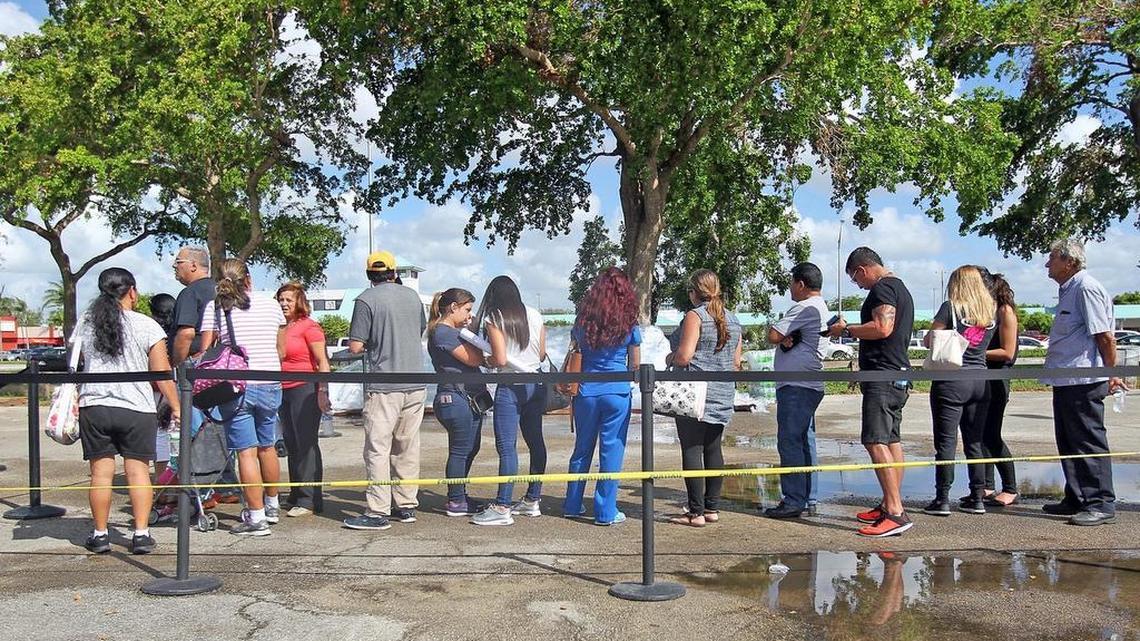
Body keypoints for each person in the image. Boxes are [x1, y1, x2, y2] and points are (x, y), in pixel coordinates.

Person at [77, 268, 180, 555]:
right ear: (132, 291)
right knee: (137, 472)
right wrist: (175, 404)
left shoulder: (86, 324)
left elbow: (79, 362)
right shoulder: (146, 325)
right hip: (136, 407)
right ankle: (141, 533)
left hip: (95, 404)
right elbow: (161, 372)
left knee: (100, 474)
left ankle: (99, 534)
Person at [1041, 238, 1129, 526]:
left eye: (1052, 258)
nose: (1047, 264)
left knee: (1088, 441)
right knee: (1068, 441)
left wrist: (1111, 374)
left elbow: (1105, 336)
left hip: (1083, 380)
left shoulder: (1086, 288)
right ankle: (1077, 497)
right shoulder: (1068, 291)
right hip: (1066, 379)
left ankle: (1100, 502)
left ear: (1070, 262)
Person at [829, 247, 914, 537]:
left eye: (855, 279)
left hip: (882, 377)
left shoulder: (883, 289)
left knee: (875, 441)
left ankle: (895, 512)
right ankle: (891, 503)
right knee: (891, 441)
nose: (857, 284)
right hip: (897, 375)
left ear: (862, 270)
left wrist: (847, 330)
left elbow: (882, 327)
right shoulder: (899, 287)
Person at [200, 259, 286, 536]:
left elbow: (206, 352)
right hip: (271, 381)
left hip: (236, 386)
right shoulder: (271, 305)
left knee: (245, 452)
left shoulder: (216, 307)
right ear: (248, 278)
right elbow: (280, 349)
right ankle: (272, 505)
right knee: (267, 446)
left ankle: (256, 517)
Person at [343, 251, 427, 531]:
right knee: (407, 445)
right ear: (394, 272)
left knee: (378, 449)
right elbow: (419, 331)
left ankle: (378, 510)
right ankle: (406, 505)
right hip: (415, 382)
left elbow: (356, 346)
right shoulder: (413, 298)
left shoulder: (366, 300)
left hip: (383, 385)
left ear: (369, 275)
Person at [666, 269, 743, 527]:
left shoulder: (695, 316)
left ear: (693, 293)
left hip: (695, 393)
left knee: (691, 449)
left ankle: (695, 512)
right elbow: (735, 362)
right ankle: (712, 508)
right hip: (722, 392)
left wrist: (670, 357)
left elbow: (684, 356)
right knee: (713, 448)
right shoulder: (733, 319)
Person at [563, 267, 640, 526]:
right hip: (617, 392)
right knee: (611, 452)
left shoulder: (583, 322)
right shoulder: (629, 323)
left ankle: (572, 504)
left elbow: (576, 351)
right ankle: (606, 512)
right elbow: (635, 366)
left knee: (582, 449)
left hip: (586, 391)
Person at [469, 275, 547, 526]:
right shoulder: (535, 314)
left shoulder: (495, 317)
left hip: (510, 386)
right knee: (536, 443)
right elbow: (543, 353)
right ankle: (532, 500)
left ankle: (503, 506)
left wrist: (486, 360)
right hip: (536, 383)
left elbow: (500, 359)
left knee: (507, 447)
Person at [922, 265, 997, 516]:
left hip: (952, 381)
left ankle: (942, 498)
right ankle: (978, 496)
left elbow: (930, 339)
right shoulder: (991, 312)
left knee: (946, 443)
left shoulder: (950, 308)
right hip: (981, 380)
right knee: (974, 442)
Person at [765, 262, 828, 519]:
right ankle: (807, 496)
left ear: (801, 284)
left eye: (792, 283)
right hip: (808, 384)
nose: (790, 288)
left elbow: (773, 334)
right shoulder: (821, 308)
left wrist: (783, 336)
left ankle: (793, 500)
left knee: (790, 441)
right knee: (804, 441)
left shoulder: (805, 307)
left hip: (797, 385)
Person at [425, 288, 486, 517]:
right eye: (467, 310)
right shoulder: (444, 333)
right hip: (456, 398)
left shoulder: (446, 332)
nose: (469, 316)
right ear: (453, 307)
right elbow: (474, 359)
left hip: (463, 398)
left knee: (470, 447)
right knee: (461, 449)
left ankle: (459, 494)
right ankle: (456, 499)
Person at [276, 282, 332, 518]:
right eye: (281, 299)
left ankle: (310, 499)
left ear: (299, 302)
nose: (284, 303)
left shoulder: (310, 327)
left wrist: (322, 391)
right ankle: (296, 493)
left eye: (289, 299)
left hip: (305, 388)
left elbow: (323, 361)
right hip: (282, 389)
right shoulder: (280, 327)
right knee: (291, 441)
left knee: (306, 441)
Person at [977, 268, 1020, 507]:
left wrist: (975, 354)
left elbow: (1007, 352)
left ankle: (1010, 488)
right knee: (980, 435)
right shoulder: (986, 314)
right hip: (982, 377)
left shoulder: (1005, 312)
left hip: (997, 379)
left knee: (992, 434)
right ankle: (986, 485)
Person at [169, 246, 215, 367]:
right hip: (219, 363)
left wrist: (178, 365)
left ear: (193, 265)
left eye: (178, 262)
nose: (174, 266)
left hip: (193, 364)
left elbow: (186, 334)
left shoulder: (190, 293)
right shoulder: (221, 290)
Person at [148, 293, 176, 480]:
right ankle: (172, 480)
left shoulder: (152, 329)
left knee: (160, 435)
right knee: (175, 435)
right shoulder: (176, 331)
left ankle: (161, 482)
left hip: (155, 389)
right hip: (177, 387)